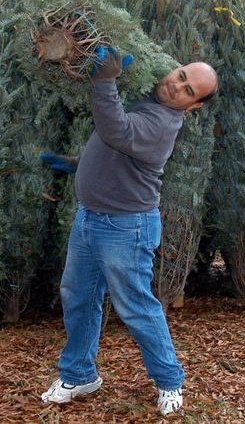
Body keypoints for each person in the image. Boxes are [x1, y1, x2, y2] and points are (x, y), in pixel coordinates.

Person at [40, 46, 219, 416]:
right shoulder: (146, 94)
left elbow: (118, 130)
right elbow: (113, 141)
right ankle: (79, 374)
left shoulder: (163, 123)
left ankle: (170, 380)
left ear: (194, 105)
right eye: (181, 75)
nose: (176, 86)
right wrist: (83, 164)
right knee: (78, 296)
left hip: (126, 227)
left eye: (188, 91)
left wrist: (105, 80)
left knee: (135, 306)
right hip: (90, 218)